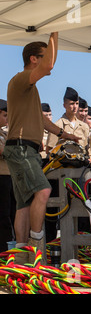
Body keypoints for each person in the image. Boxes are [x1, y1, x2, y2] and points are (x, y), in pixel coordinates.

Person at [3, 33, 80, 264]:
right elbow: (50, 65)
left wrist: (64, 134)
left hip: (26, 150)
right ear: (33, 59)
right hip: (21, 148)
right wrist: (54, 34)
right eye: (44, 57)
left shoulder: (30, 88)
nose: (50, 67)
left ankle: (22, 254)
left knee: (25, 203)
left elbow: (42, 120)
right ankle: (37, 246)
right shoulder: (22, 79)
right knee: (43, 191)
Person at [46, 87, 90, 155]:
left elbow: (87, 150)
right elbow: (49, 151)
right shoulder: (58, 125)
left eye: (77, 103)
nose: (75, 106)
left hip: (81, 164)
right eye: (72, 104)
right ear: (64, 105)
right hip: (63, 164)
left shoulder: (84, 127)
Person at [0, 99, 16, 252]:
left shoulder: (3, 134)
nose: (7, 119)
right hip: (1, 178)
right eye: (5, 115)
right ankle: (3, 250)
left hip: (8, 177)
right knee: (3, 216)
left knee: (11, 214)